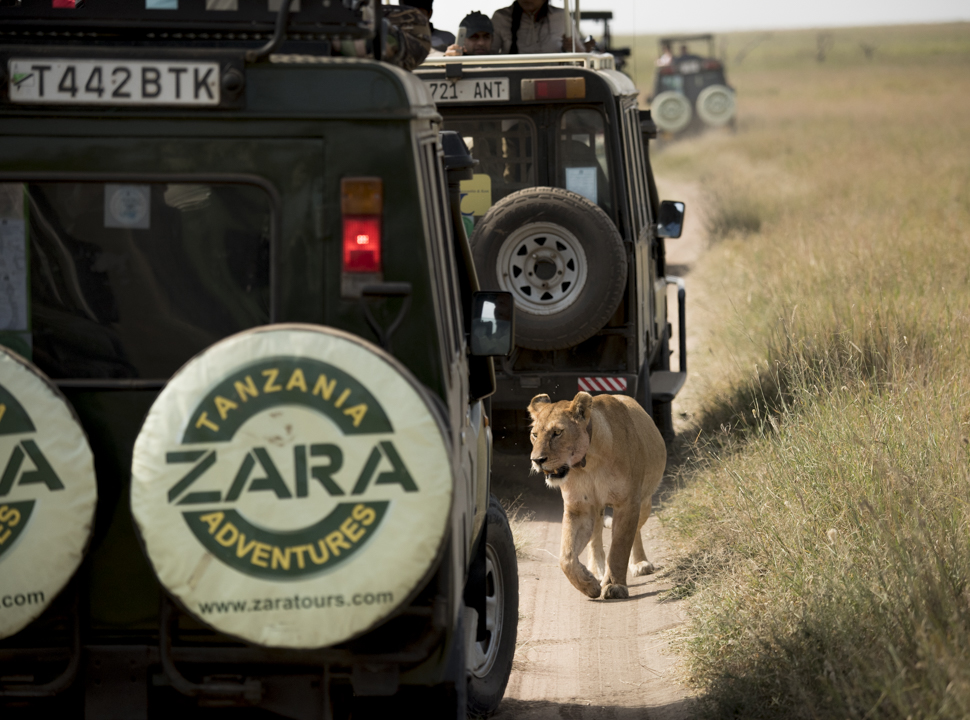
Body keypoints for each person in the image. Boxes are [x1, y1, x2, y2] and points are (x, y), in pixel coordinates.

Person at [490, 0, 582, 55]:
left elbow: (582, 54)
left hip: (554, 80)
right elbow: (490, 54)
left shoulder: (561, 16)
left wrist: (573, 47)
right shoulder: (501, 17)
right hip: (512, 79)